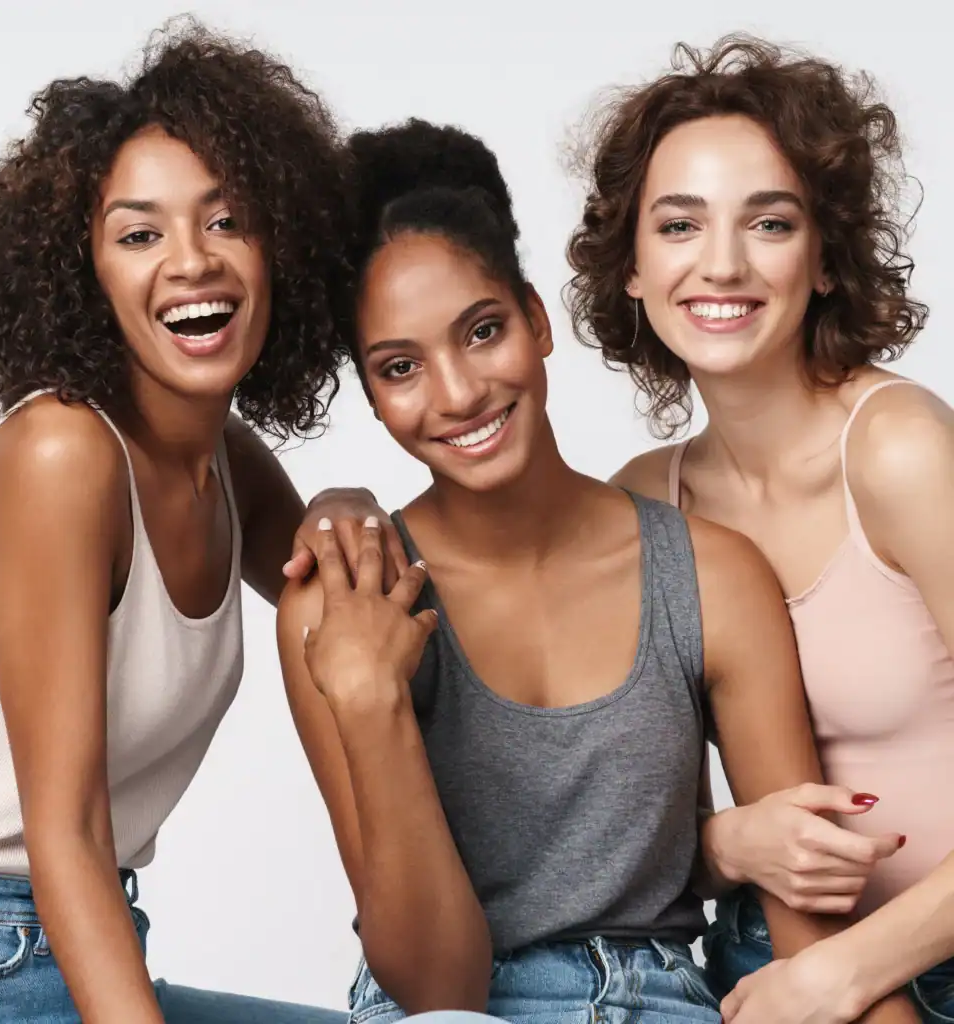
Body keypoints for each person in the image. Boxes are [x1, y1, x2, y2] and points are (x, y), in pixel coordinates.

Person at [275, 117, 896, 1024]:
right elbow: (438, 992)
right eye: (401, 367)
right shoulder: (342, 601)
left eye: (482, 331)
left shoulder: (711, 576)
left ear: (535, 320)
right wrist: (369, 705)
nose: (457, 394)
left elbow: (811, 937)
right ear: (371, 396)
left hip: (671, 1002)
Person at [0, 19, 419, 1023]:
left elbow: (325, 561)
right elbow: (62, 828)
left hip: (75, 937)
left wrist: (345, 498)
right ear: (84, 273)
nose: (191, 262)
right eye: (139, 233)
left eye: (226, 219)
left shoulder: (221, 458)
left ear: (281, 241)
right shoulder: (62, 456)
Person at [567, 34, 953, 1024]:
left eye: (769, 222)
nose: (721, 264)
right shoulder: (647, 504)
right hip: (763, 963)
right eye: (679, 224)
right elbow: (613, 827)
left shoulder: (900, 449)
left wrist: (846, 972)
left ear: (825, 259)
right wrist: (729, 844)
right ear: (633, 271)